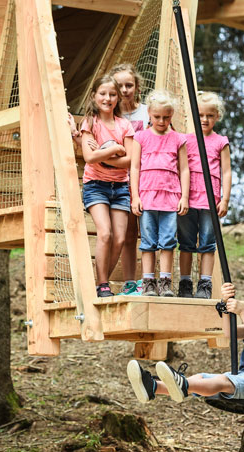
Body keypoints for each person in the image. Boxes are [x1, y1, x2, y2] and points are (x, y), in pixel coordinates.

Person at [126, 281, 244, 409]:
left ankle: (181, 383)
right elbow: (229, 333)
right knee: (200, 378)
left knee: (222, 381)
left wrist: (243, 311)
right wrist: (224, 307)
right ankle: (153, 387)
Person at [79, 75, 136, 297]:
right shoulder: (90, 123)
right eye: (103, 93)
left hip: (120, 187)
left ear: (117, 98)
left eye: (112, 94)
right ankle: (103, 284)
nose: (108, 98)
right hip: (96, 185)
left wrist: (101, 154)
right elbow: (89, 158)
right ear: (94, 96)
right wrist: (114, 150)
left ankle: (100, 283)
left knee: (120, 238)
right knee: (105, 233)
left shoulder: (125, 125)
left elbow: (130, 160)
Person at [129, 90, 190, 297]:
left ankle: (165, 283)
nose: (162, 121)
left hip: (170, 200)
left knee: (168, 242)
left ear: (171, 115)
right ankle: (148, 282)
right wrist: (135, 197)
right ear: (149, 113)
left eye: (166, 117)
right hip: (146, 199)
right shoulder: (141, 137)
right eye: (157, 117)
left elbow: (184, 169)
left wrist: (184, 197)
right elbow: (135, 168)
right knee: (148, 243)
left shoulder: (178, 139)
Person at [177, 91, 232, 298]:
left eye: (210, 115)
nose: (205, 119)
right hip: (188, 200)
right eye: (200, 115)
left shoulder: (221, 142)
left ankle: (205, 285)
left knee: (208, 242)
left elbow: (226, 172)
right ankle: (184, 283)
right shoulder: (185, 140)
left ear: (217, 116)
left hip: (210, 202)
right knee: (186, 243)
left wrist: (224, 198)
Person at [109, 64, 150, 295]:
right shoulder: (111, 115)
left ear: (137, 87)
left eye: (129, 85)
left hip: (145, 178)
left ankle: (148, 280)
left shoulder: (147, 112)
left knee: (146, 231)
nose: (124, 90)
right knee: (127, 233)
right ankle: (129, 282)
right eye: (119, 86)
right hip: (119, 180)